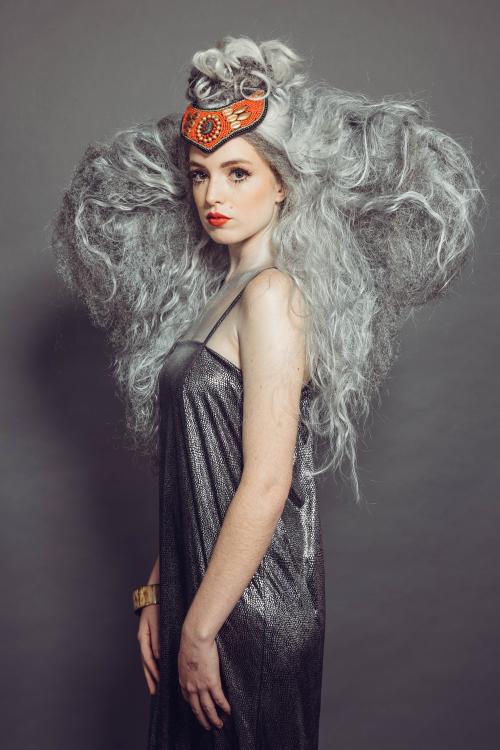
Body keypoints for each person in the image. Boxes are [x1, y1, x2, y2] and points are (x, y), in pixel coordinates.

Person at [50, 35, 484, 749]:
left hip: (247, 608)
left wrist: (199, 624)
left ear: (281, 181)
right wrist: (162, 587)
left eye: (237, 173)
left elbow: (266, 481)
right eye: (199, 175)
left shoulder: (273, 296)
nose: (213, 195)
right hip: (205, 591)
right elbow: (196, 474)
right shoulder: (222, 292)